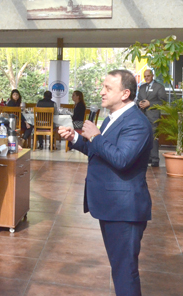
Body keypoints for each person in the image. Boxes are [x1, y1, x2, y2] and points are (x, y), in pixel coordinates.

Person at [58, 70, 153, 296]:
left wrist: (96, 136)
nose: (101, 92)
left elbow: (121, 159)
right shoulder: (112, 117)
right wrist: (76, 138)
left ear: (125, 93)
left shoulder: (137, 123)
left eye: (108, 88)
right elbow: (99, 152)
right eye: (102, 86)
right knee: (119, 267)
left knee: (124, 271)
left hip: (124, 210)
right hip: (111, 206)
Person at [137, 69, 167, 167]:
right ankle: (147, 158)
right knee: (144, 137)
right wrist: (139, 103)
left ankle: (155, 159)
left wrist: (150, 103)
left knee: (153, 137)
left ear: (152, 75)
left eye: (148, 76)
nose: (146, 78)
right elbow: (138, 99)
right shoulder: (142, 87)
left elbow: (163, 102)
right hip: (142, 116)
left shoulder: (159, 87)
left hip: (153, 116)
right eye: (145, 76)